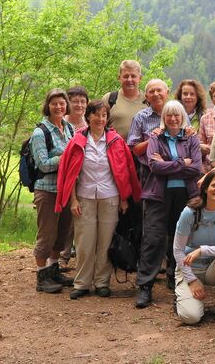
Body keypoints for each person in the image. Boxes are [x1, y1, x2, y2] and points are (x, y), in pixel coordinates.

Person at [55, 99, 141, 299]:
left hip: (109, 197)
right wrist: (73, 200)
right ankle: (82, 283)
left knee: (105, 243)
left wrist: (124, 198)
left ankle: (102, 282)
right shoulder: (77, 141)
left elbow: (125, 171)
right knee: (84, 243)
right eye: (96, 114)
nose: (100, 119)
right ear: (88, 116)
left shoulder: (116, 140)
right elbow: (70, 174)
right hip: (84, 197)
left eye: (104, 115)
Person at [135, 100, 202, 308]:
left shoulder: (191, 138)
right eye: (169, 115)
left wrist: (167, 164)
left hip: (186, 195)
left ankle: (176, 277)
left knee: (180, 237)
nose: (173, 119)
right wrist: (182, 163)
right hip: (158, 194)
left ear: (183, 117)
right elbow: (154, 166)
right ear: (164, 118)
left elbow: (196, 168)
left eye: (177, 115)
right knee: (153, 238)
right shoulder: (155, 137)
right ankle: (145, 285)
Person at [173, 169, 215, 325]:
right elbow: (177, 249)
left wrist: (203, 250)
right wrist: (191, 280)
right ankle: (183, 297)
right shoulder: (189, 212)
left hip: (214, 266)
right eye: (214, 185)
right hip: (191, 267)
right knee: (191, 317)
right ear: (205, 188)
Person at [31, 88, 76, 293]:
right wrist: (65, 158)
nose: (58, 107)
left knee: (62, 233)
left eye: (62, 103)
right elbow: (43, 164)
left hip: (66, 190)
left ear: (66, 105)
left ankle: (53, 270)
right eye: (54, 103)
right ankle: (42, 277)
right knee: (47, 234)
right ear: (47, 106)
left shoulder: (69, 128)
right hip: (47, 190)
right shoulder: (40, 132)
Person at [60, 85, 89, 268]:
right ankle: (60, 256)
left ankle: (76, 255)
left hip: (84, 178)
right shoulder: (60, 124)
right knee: (63, 218)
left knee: (78, 217)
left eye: (82, 101)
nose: (79, 105)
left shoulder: (89, 124)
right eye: (75, 101)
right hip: (63, 178)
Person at [104, 60, 147, 140]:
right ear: (119, 77)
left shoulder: (148, 100)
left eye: (133, 76)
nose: (129, 79)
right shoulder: (110, 98)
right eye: (126, 76)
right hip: (114, 147)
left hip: (142, 148)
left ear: (140, 78)